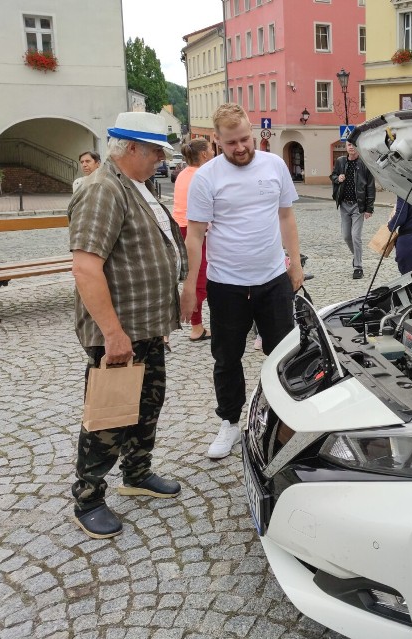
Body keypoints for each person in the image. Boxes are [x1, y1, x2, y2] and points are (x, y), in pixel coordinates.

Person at [68, 112, 187, 539]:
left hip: (146, 327)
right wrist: (113, 334)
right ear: (131, 148)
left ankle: (137, 473)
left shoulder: (133, 184)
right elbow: (85, 268)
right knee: (108, 416)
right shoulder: (102, 189)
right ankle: (89, 498)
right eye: (156, 151)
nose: (160, 159)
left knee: (146, 406)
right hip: (118, 333)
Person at [182, 103, 303, 460]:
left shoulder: (274, 165)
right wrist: (191, 284)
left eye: (245, 139)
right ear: (216, 141)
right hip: (227, 284)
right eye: (231, 142)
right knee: (227, 357)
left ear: (253, 133)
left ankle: (283, 418)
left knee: (282, 353)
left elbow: (287, 217)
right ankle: (230, 422)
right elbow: (195, 235)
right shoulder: (207, 177)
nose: (241, 148)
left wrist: (294, 264)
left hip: (272, 279)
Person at [172, 139, 213, 342]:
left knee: (195, 276)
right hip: (194, 229)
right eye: (211, 149)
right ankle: (195, 327)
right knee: (200, 280)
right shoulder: (201, 175)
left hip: (182, 227)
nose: (214, 152)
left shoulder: (183, 174)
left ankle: (195, 325)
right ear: (204, 154)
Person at [331, 141, 375, 279]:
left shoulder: (364, 164)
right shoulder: (340, 161)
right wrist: (338, 178)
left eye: (354, 145)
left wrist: (369, 208)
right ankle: (356, 257)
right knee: (346, 236)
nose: (351, 147)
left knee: (356, 236)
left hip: (358, 206)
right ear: (346, 147)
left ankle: (358, 266)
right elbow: (332, 176)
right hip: (344, 205)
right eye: (349, 145)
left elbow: (370, 187)